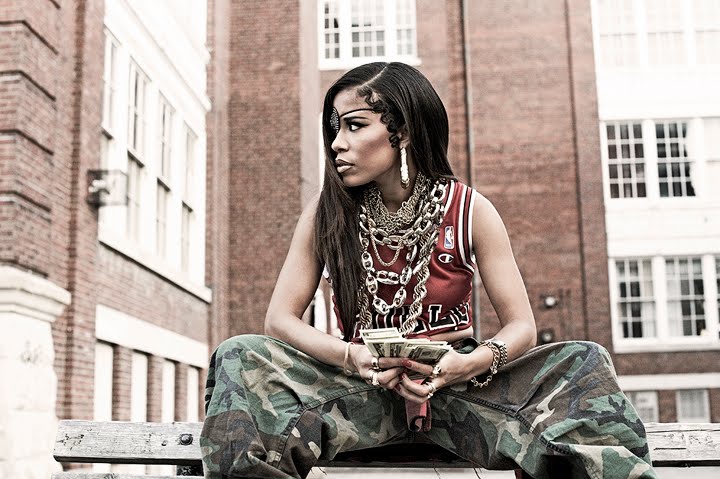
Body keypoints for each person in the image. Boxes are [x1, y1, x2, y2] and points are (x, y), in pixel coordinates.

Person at [201, 62, 658, 479]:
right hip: (358, 390)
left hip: (460, 390)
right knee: (240, 355)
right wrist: (351, 358)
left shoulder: (471, 209)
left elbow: (522, 326)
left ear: (402, 133)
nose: (337, 142)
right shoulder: (326, 213)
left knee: (584, 362)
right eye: (335, 128)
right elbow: (279, 319)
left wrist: (469, 363)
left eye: (355, 125)